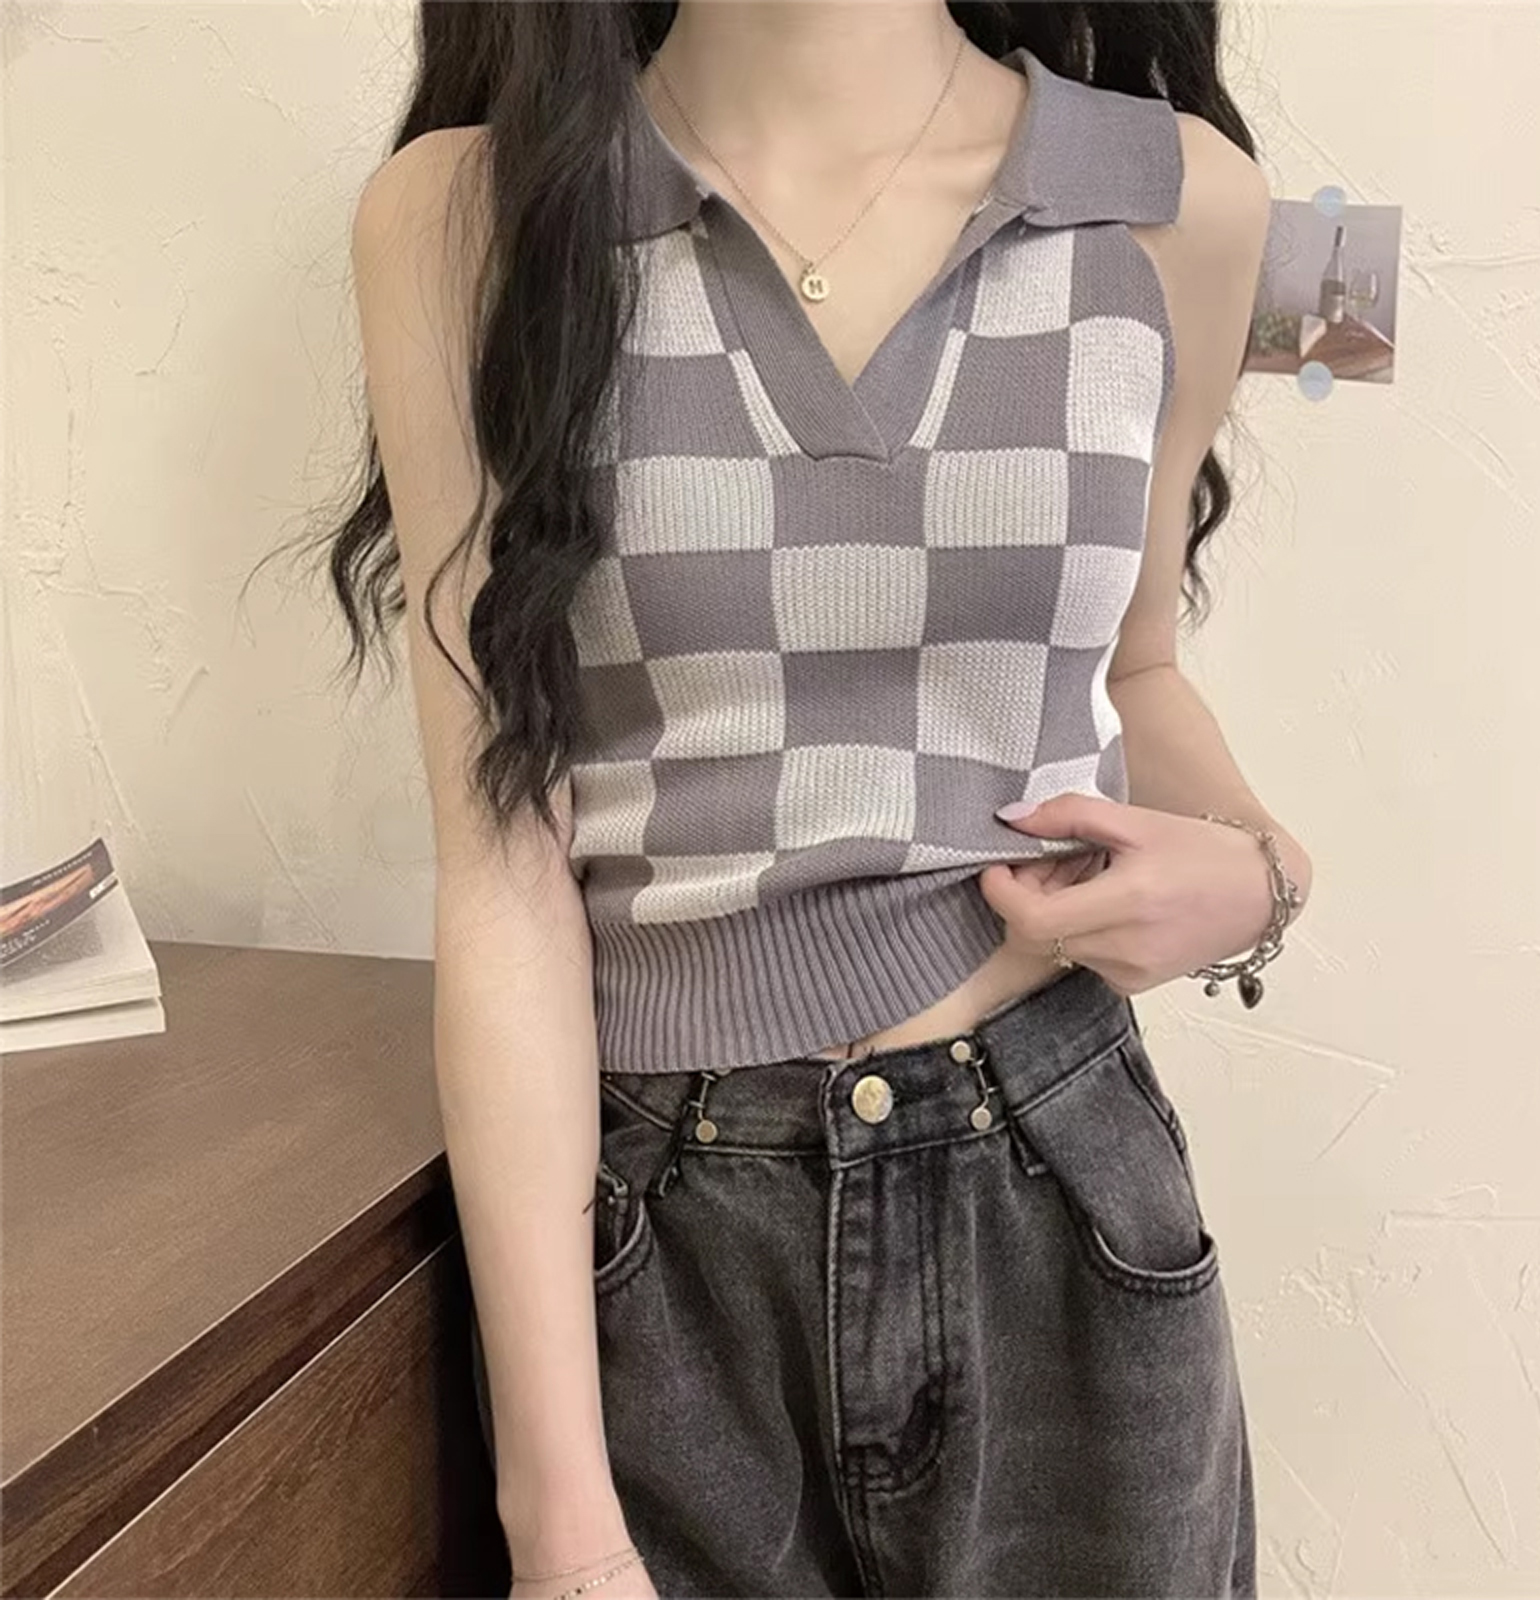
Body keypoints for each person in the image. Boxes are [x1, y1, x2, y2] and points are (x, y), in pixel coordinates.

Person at [331, 2, 1313, 1594]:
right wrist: (558, 1517)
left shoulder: (1175, 201)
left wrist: (1261, 874)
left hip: (1058, 1194)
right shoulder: (469, 223)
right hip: (668, 1241)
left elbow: (1136, 668)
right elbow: (501, 867)